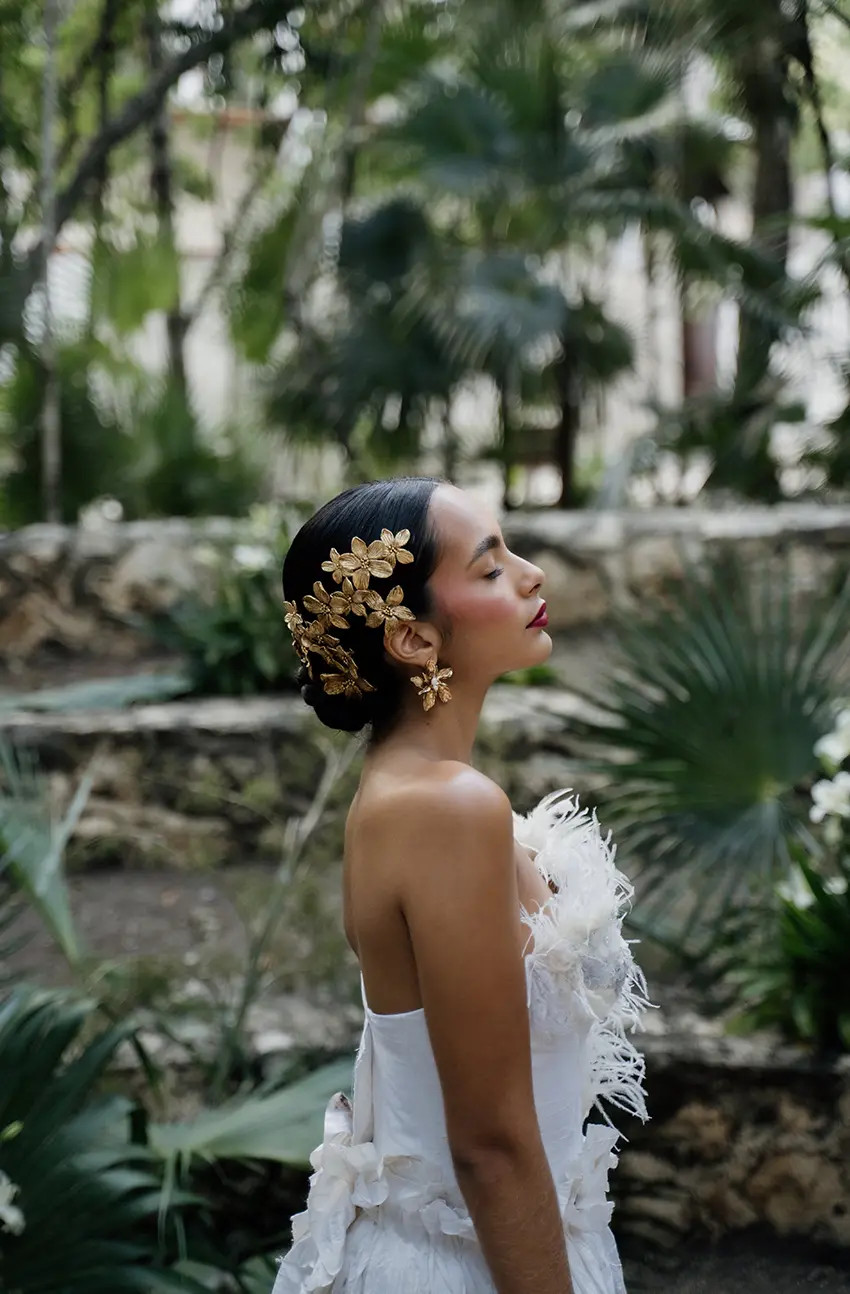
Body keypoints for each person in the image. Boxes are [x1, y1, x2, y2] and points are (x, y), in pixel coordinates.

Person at [273, 477, 650, 1294]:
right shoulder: (447, 809)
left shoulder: (422, 790)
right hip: (465, 1263)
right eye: (489, 568)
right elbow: (489, 1144)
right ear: (413, 640)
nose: (531, 575)